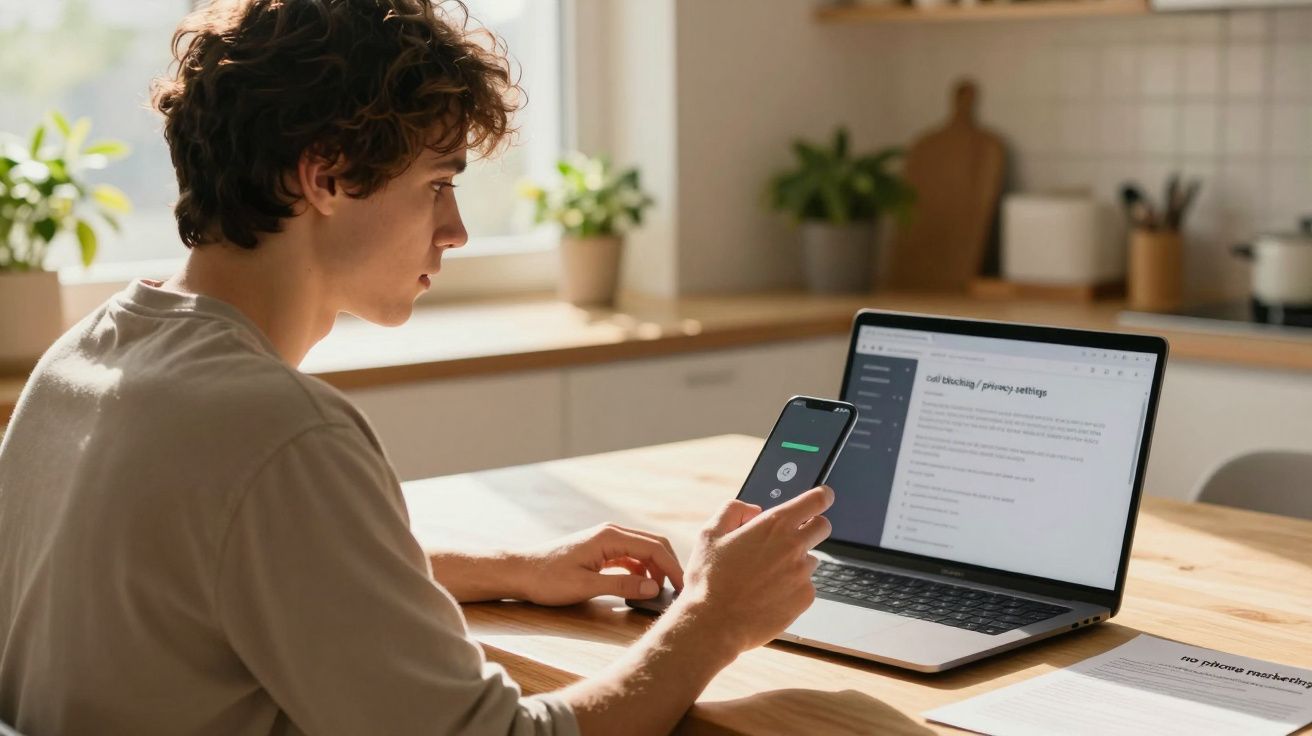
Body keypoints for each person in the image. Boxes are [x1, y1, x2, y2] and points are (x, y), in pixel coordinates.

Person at [0, 1, 834, 734]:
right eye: (437, 184)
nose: (457, 229)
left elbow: (254, 575)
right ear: (325, 176)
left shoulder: (88, 359)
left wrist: (516, 571)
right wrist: (711, 619)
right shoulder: (277, 431)